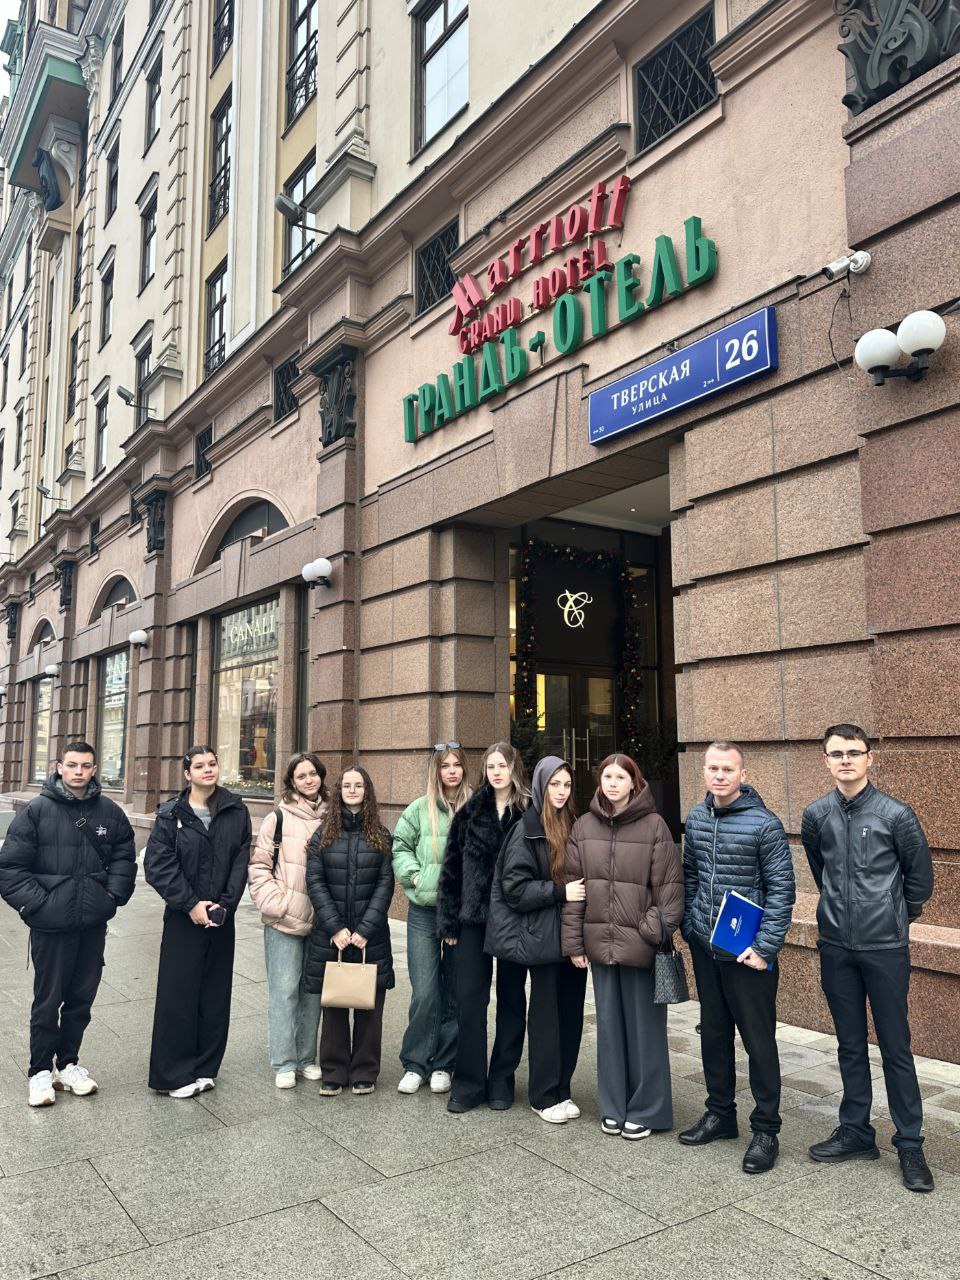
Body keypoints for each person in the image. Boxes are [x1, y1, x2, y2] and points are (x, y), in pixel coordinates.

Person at [801, 723, 935, 1193]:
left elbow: (920, 880)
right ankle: (856, 1132)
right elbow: (821, 871)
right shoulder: (816, 815)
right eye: (836, 754)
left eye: (854, 753)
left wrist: (894, 915)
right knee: (850, 1044)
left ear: (869, 758)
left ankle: (910, 1143)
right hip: (836, 946)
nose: (846, 761)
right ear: (826, 760)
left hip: (885, 948)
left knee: (896, 1047)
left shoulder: (896, 814)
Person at [679, 741, 795, 1173]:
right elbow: (691, 876)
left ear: (743, 775)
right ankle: (720, 1114)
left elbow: (782, 890)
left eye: (728, 769)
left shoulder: (765, 824)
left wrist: (764, 948)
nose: (720, 775)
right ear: (704, 772)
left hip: (748, 955)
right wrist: (691, 927)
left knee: (758, 1042)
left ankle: (766, 1130)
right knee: (713, 1034)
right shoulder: (696, 818)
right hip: (707, 948)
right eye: (713, 768)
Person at [0, 741, 136, 1107]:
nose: (79, 771)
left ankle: (68, 1064)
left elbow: (124, 857)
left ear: (94, 769)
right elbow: (10, 869)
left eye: (85, 765)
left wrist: (111, 897)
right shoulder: (36, 811)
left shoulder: (110, 812)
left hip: (92, 922)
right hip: (51, 926)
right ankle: (40, 1071)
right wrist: (40, 906)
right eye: (72, 765)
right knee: (48, 1001)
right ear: (59, 766)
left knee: (81, 998)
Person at [563, 753, 682, 1139]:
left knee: (646, 1032)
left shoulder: (654, 826)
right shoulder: (583, 827)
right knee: (610, 1030)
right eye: (607, 776)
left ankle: (648, 1109)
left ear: (634, 782)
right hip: (600, 946)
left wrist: (648, 932)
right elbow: (574, 891)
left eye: (620, 777)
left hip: (641, 948)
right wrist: (575, 943)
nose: (613, 783)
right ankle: (613, 1106)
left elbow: (670, 893)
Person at [145, 745, 252, 1098]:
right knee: (178, 995)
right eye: (200, 766)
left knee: (214, 995)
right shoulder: (170, 814)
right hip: (183, 918)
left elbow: (240, 861)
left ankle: (205, 1066)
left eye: (213, 763)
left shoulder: (235, 810)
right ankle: (173, 1075)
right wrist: (191, 904)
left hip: (221, 917)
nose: (208, 769)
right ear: (187, 774)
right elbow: (158, 866)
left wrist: (225, 905)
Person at [487, 756, 587, 1124]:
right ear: (542, 785)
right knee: (546, 1017)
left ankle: (562, 1089)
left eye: (567, 785)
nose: (561, 791)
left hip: (570, 936)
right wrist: (560, 892)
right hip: (539, 938)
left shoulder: (574, 825)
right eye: (555, 784)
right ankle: (542, 1096)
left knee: (570, 1014)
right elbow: (514, 889)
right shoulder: (526, 829)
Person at [436, 741, 528, 1113]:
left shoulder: (529, 812)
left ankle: (502, 1080)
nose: (497, 772)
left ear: (514, 768)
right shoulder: (470, 812)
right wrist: (448, 921)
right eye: (491, 766)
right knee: (470, 1000)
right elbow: (451, 870)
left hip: (515, 918)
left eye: (502, 765)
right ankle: (469, 1083)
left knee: (512, 999)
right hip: (472, 919)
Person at [304, 765, 394, 1096]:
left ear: (367, 791)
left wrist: (367, 928)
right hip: (333, 937)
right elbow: (315, 881)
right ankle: (334, 1071)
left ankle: (364, 1071)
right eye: (347, 785)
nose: (352, 790)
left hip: (371, 937)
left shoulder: (381, 835)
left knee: (369, 1007)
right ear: (339, 791)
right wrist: (335, 928)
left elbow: (386, 884)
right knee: (335, 1006)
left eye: (358, 785)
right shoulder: (323, 835)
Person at [392, 743, 470, 1096]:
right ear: (436, 771)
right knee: (425, 991)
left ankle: (443, 1064)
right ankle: (416, 1062)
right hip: (423, 912)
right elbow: (400, 847)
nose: (451, 771)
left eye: (457, 765)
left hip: (461, 913)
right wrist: (415, 875)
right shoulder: (418, 809)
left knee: (454, 990)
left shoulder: (476, 807)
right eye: (445, 765)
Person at [248, 751, 328, 1088]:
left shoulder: (332, 817)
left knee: (312, 992)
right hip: (284, 920)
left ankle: (306, 1058)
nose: (309, 780)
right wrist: (275, 904)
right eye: (301, 776)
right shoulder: (277, 818)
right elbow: (259, 867)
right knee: (284, 992)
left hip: (322, 920)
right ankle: (284, 1062)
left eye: (313, 774)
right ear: (292, 782)